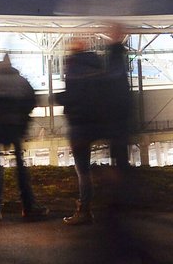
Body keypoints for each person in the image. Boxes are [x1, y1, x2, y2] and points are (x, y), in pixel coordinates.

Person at [57, 27, 133, 225]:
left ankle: (85, 210)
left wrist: (58, 98)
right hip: (99, 122)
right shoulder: (97, 64)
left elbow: (75, 95)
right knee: (109, 164)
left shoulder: (73, 65)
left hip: (79, 125)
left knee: (83, 170)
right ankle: (115, 205)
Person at [0, 54, 47, 221]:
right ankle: (28, 206)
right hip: (16, 125)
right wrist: (23, 116)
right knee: (21, 166)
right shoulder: (20, 79)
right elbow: (32, 98)